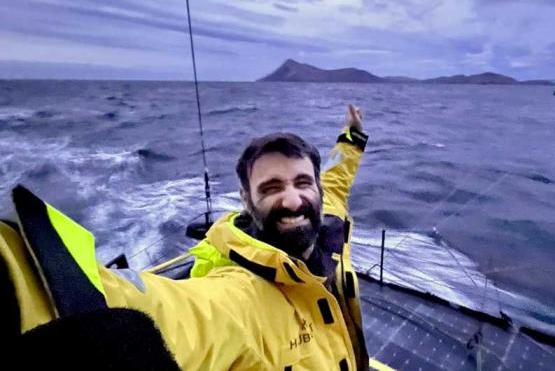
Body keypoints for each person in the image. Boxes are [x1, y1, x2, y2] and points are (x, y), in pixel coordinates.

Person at [0, 104, 370, 371]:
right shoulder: (240, 295)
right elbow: (174, 312)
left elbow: (337, 178)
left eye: (303, 182)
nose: (292, 199)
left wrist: (351, 137)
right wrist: (25, 284)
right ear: (246, 199)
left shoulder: (328, 217)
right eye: (271, 187)